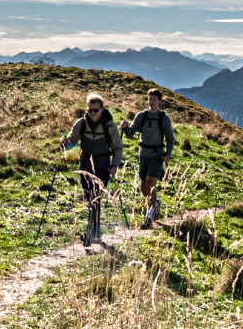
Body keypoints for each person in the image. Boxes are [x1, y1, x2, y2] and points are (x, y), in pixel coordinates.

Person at [61, 93, 122, 246]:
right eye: (90, 110)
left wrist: (115, 165)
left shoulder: (110, 126)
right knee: (90, 197)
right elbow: (72, 144)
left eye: (96, 110)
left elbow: (118, 147)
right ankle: (96, 229)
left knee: (96, 197)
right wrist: (65, 144)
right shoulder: (80, 124)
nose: (93, 114)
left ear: (102, 109)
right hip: (85, 165)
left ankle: (90, 232)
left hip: (103, 165)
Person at [122, 88, 176, 229]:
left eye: (154, 99)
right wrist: (125, 128)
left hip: (157, 155)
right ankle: (155, 204)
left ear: (159, 101)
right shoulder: (141, 116)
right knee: (143, 188)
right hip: (143, 154)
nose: (151, 102)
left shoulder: (164, 118)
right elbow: (130, 134)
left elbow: (170, 139)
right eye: (149, 99)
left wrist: (167, 153)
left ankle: (148, 218)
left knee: (151, 185)